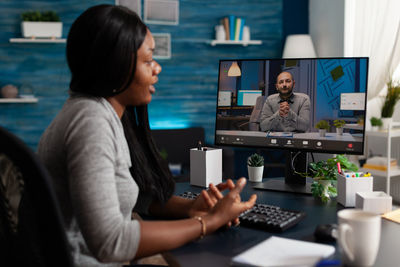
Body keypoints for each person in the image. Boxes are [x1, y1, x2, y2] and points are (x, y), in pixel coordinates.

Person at [37, 4, 256, 267]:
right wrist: (207, 223)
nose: (157, 68)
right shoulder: (91, 122)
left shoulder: (98, 112)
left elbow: (128, 197)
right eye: (148, 59)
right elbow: (111, 242)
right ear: (116, 65)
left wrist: (190, 208)